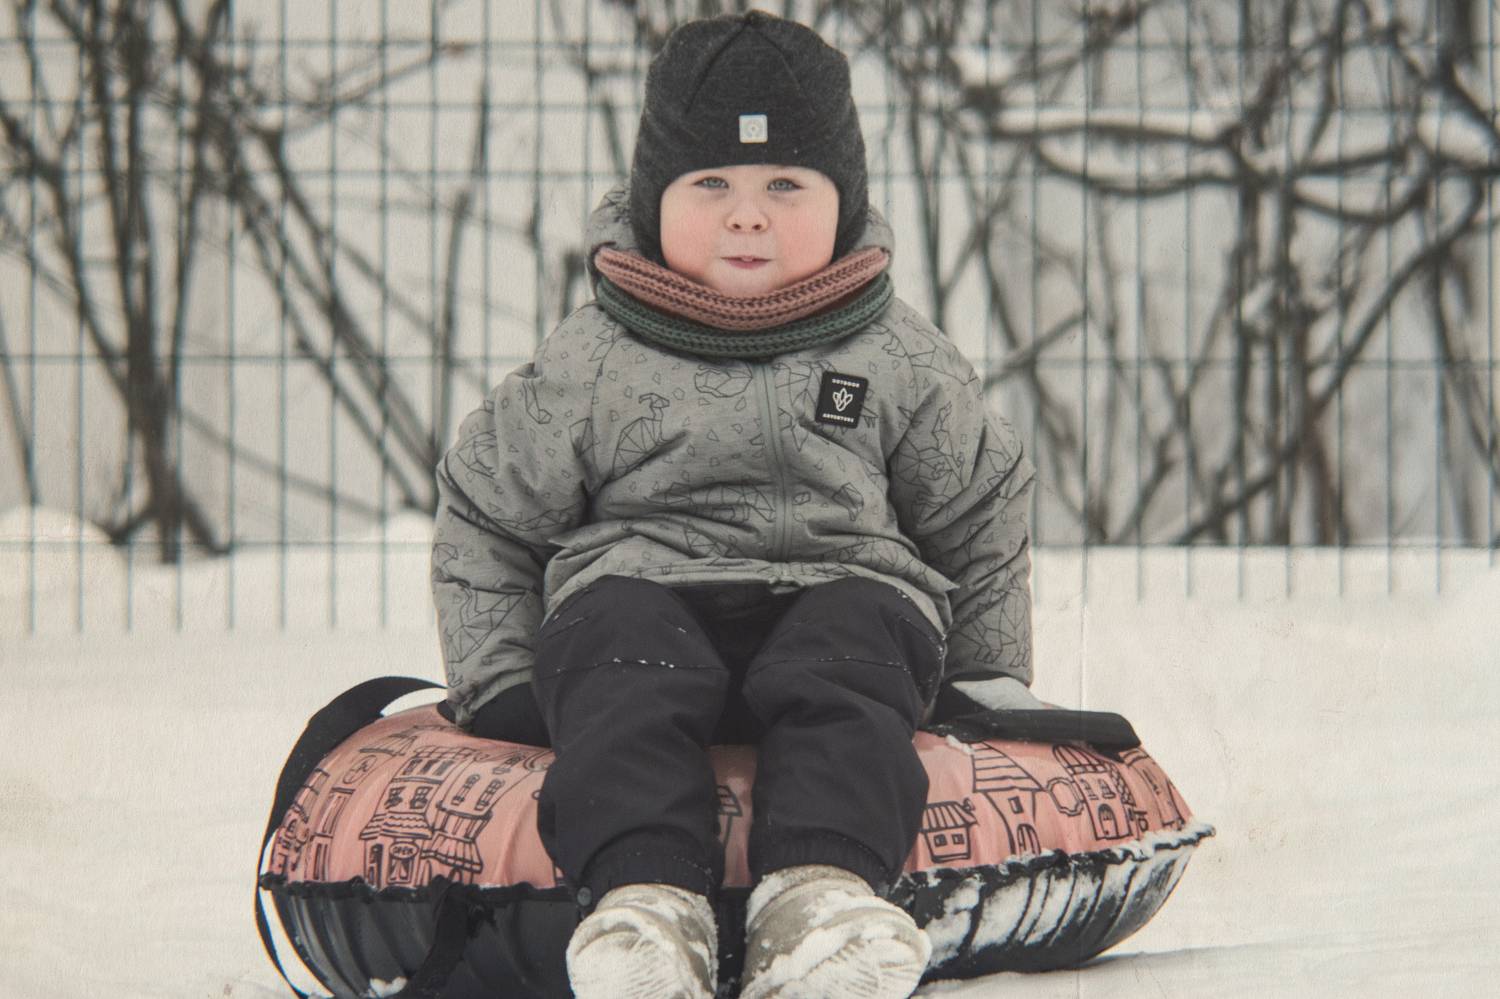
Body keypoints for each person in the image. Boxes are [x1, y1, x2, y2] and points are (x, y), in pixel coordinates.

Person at [431, 11, 1039, 998]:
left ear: (843, 203)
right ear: (652, 201)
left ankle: (820, 899)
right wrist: (499, 678)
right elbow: (488, 509)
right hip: (644, 601)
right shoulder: (594, 359)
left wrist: (986, 678)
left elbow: (980, 504)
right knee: (616, 642)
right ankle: (644, 905)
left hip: (842, 597)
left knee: (859, 638)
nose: (747, 216)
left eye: (785, 186)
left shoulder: (898, 355)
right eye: (710, 183)